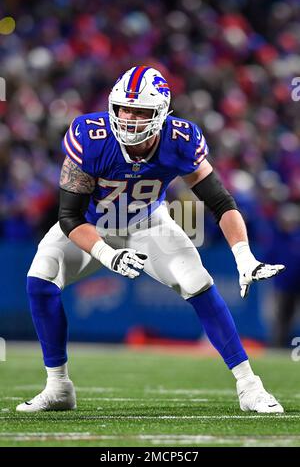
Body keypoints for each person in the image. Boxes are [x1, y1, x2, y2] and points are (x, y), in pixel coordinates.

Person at [17, 66, 285, 413]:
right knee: (41, 277)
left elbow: (220, 202)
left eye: (140, 111)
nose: (128, 118)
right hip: (91, 225)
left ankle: (250, 386)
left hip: (147, 223)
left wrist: (243, 255)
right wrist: (106, 253)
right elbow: (68, 217)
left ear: (160, 114)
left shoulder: (180, 139)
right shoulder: (89, 135)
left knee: (197, 281)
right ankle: (58, 386)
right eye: (123, 109)